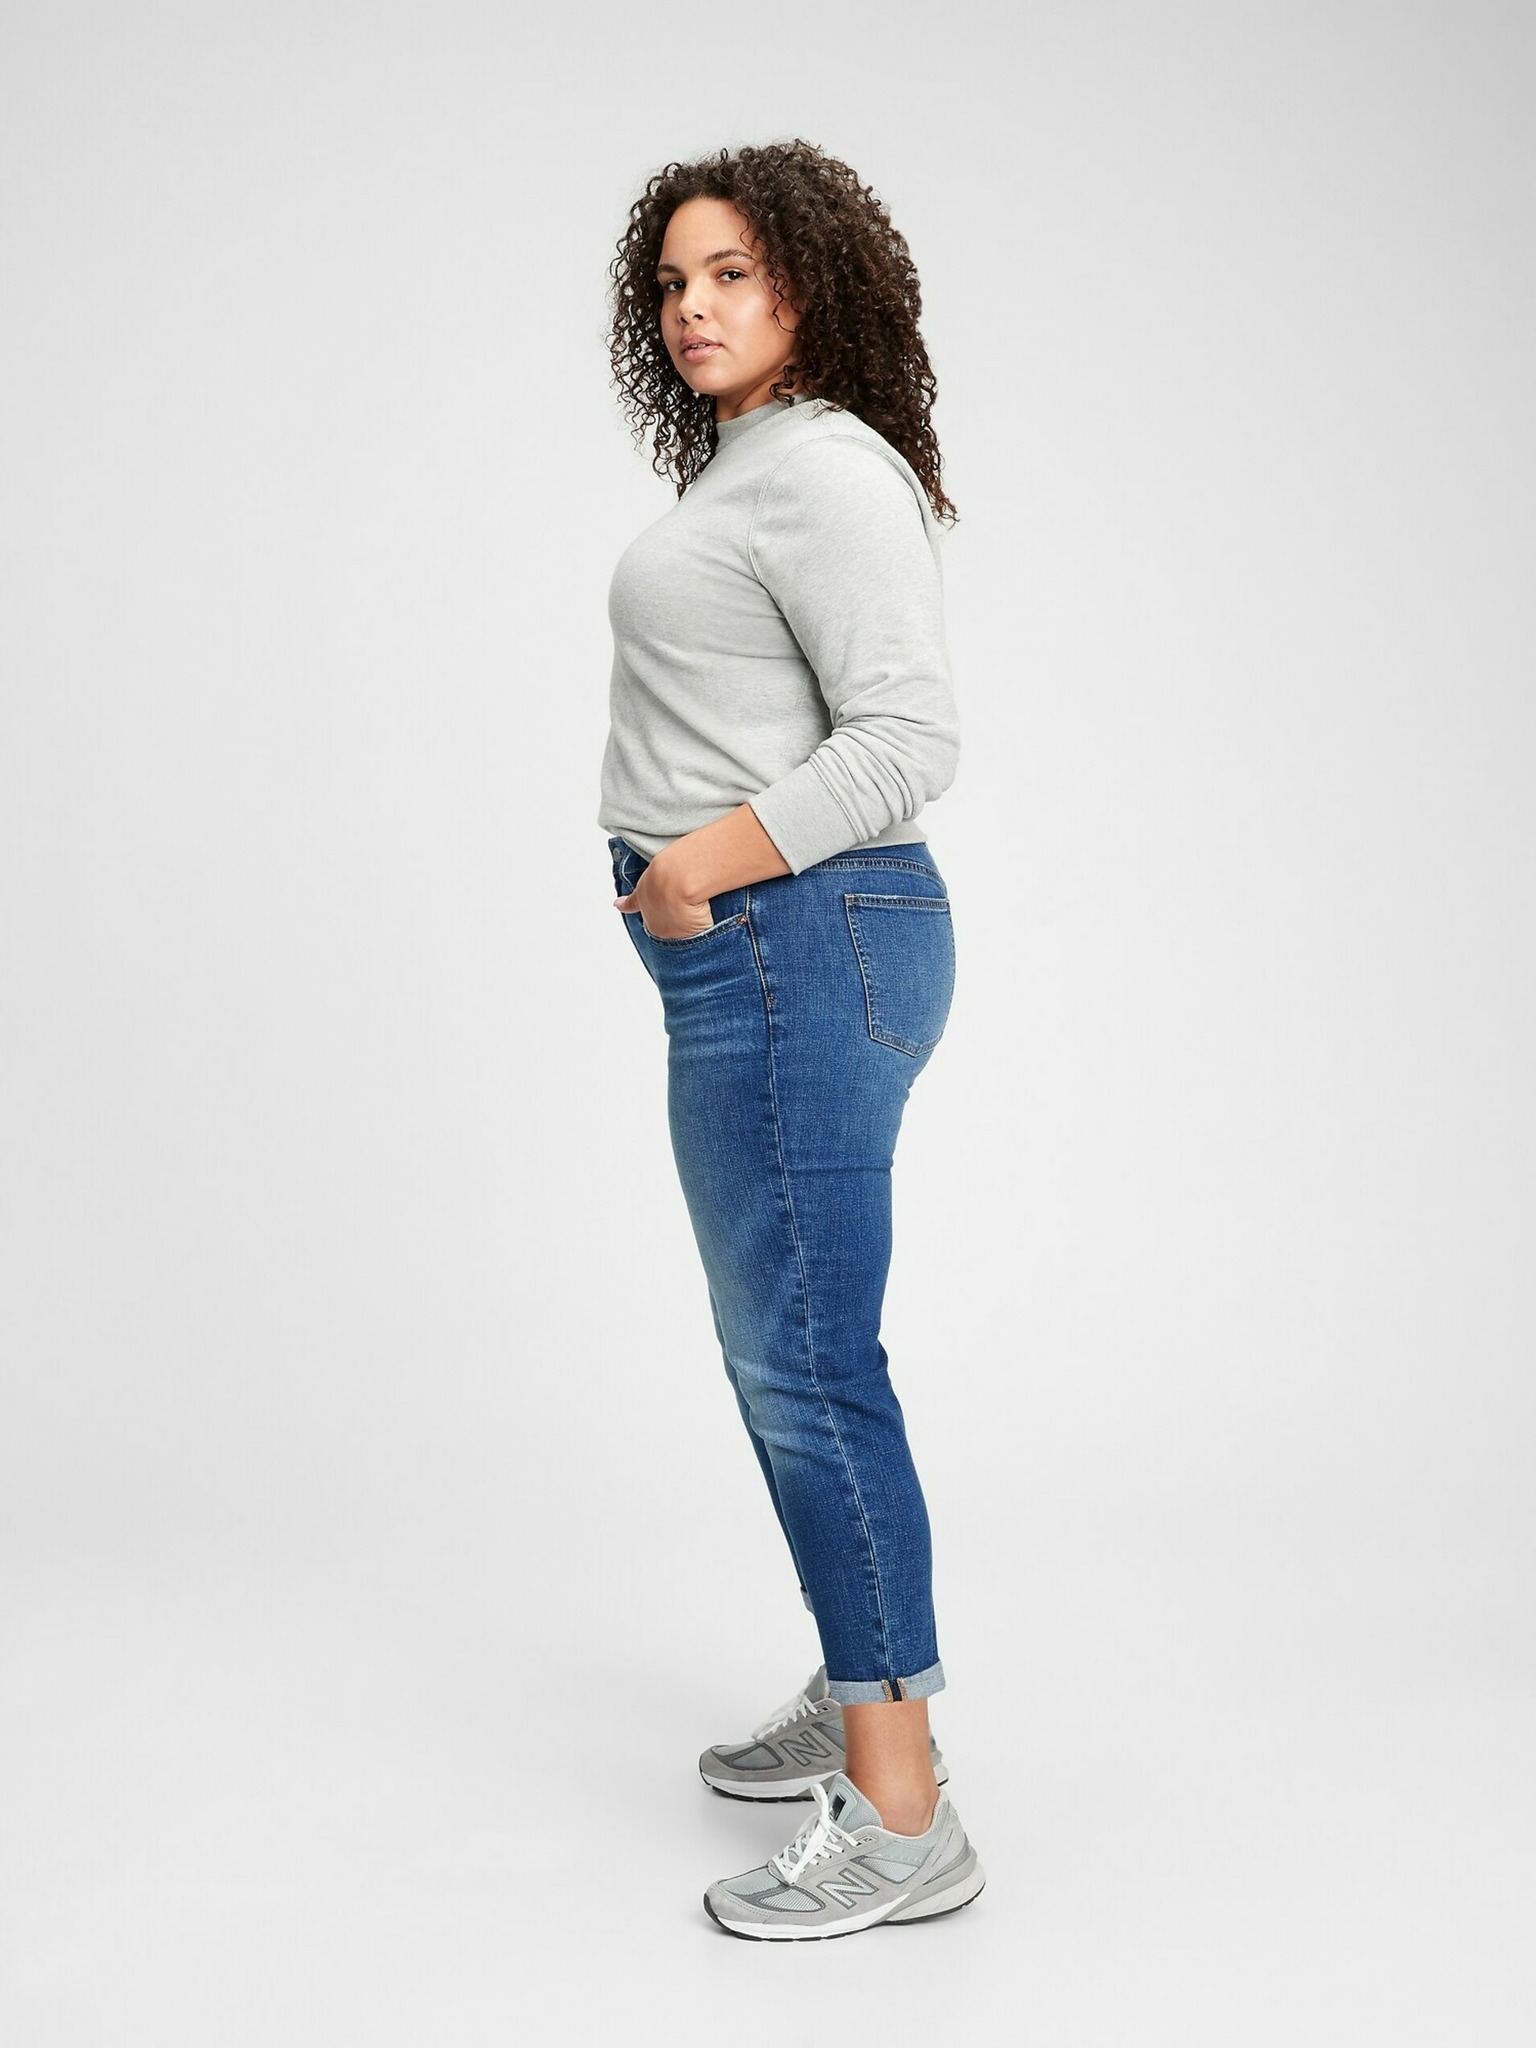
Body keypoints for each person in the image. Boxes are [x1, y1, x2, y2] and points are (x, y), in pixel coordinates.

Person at [597, 139, 985, 1940]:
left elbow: (908, 742)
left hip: (797, 940)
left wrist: (694, 867)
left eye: (732, 273)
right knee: (789, 1351)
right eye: (674, 281)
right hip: (768, 951)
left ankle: (904, 1819)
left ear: (810, 286)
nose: (695, 307)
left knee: (809, 1363)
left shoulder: (825, 471)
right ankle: (860, 1680)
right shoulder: (758, 465)